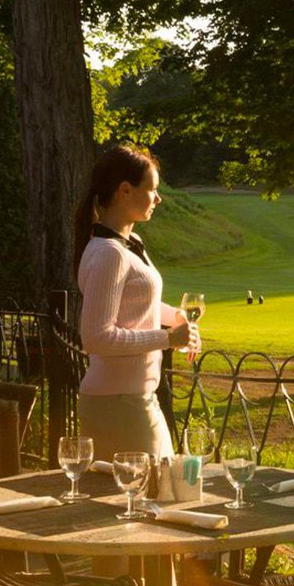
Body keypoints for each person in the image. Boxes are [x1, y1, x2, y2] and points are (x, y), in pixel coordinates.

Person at [74, 144, 197, 461]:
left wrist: (176, 317)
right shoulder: (108, 254)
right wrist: (167, 338)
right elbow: (97, 337)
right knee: (147, 498)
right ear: (125, 190)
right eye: (152, 189)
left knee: (158, 493)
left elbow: (136, 306)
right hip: (116, 403)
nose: (158, 198)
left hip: (136, 397)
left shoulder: (131, 244)